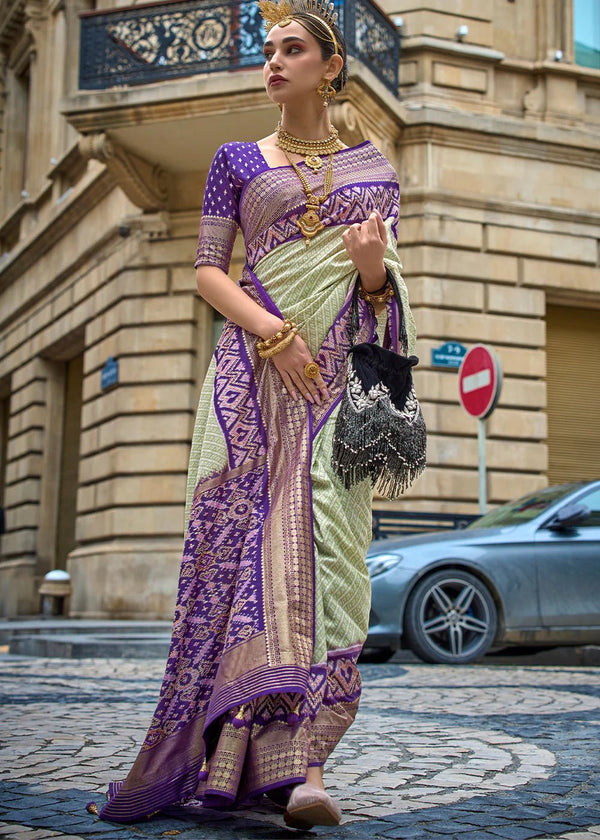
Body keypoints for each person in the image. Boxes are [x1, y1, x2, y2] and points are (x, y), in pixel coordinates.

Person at [93, 0, 416, 829]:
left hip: (334, 392)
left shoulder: (375, 169)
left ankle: (305, 761)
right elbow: (209, 270)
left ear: (330, 67)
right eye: (268, 49)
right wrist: (275, 337)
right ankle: (285, 770)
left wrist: (372, 270)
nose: (272, 60)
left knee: (332, 558)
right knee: (253, 561)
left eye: (292, 48)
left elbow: (382, 301)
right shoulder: (236, 160)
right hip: (252, 386)